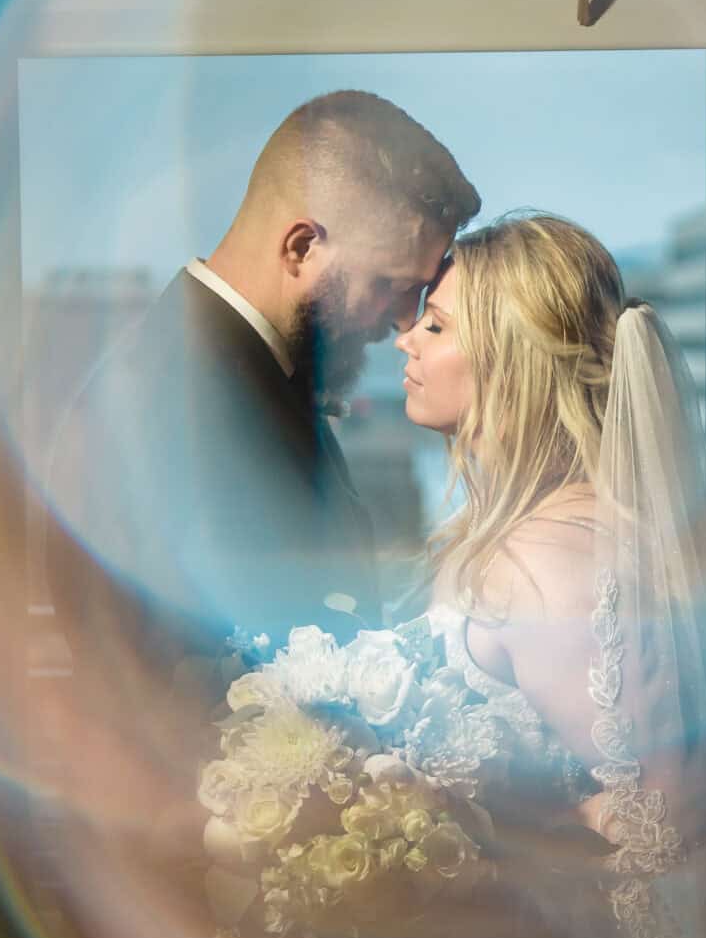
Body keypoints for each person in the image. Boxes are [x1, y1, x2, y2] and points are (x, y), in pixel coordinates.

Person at [381, 211, 706, 938]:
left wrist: (459, 823)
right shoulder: (519, 533)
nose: (404, 343)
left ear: (510, 359)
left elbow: (666, 818)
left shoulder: (559, 561)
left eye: (436, 323)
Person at [42, 90, 480, 724]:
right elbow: (140, 676)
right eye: (387, 285)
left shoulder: (265, 371)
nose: (399, 322)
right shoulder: (158, 398)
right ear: (300, 247)